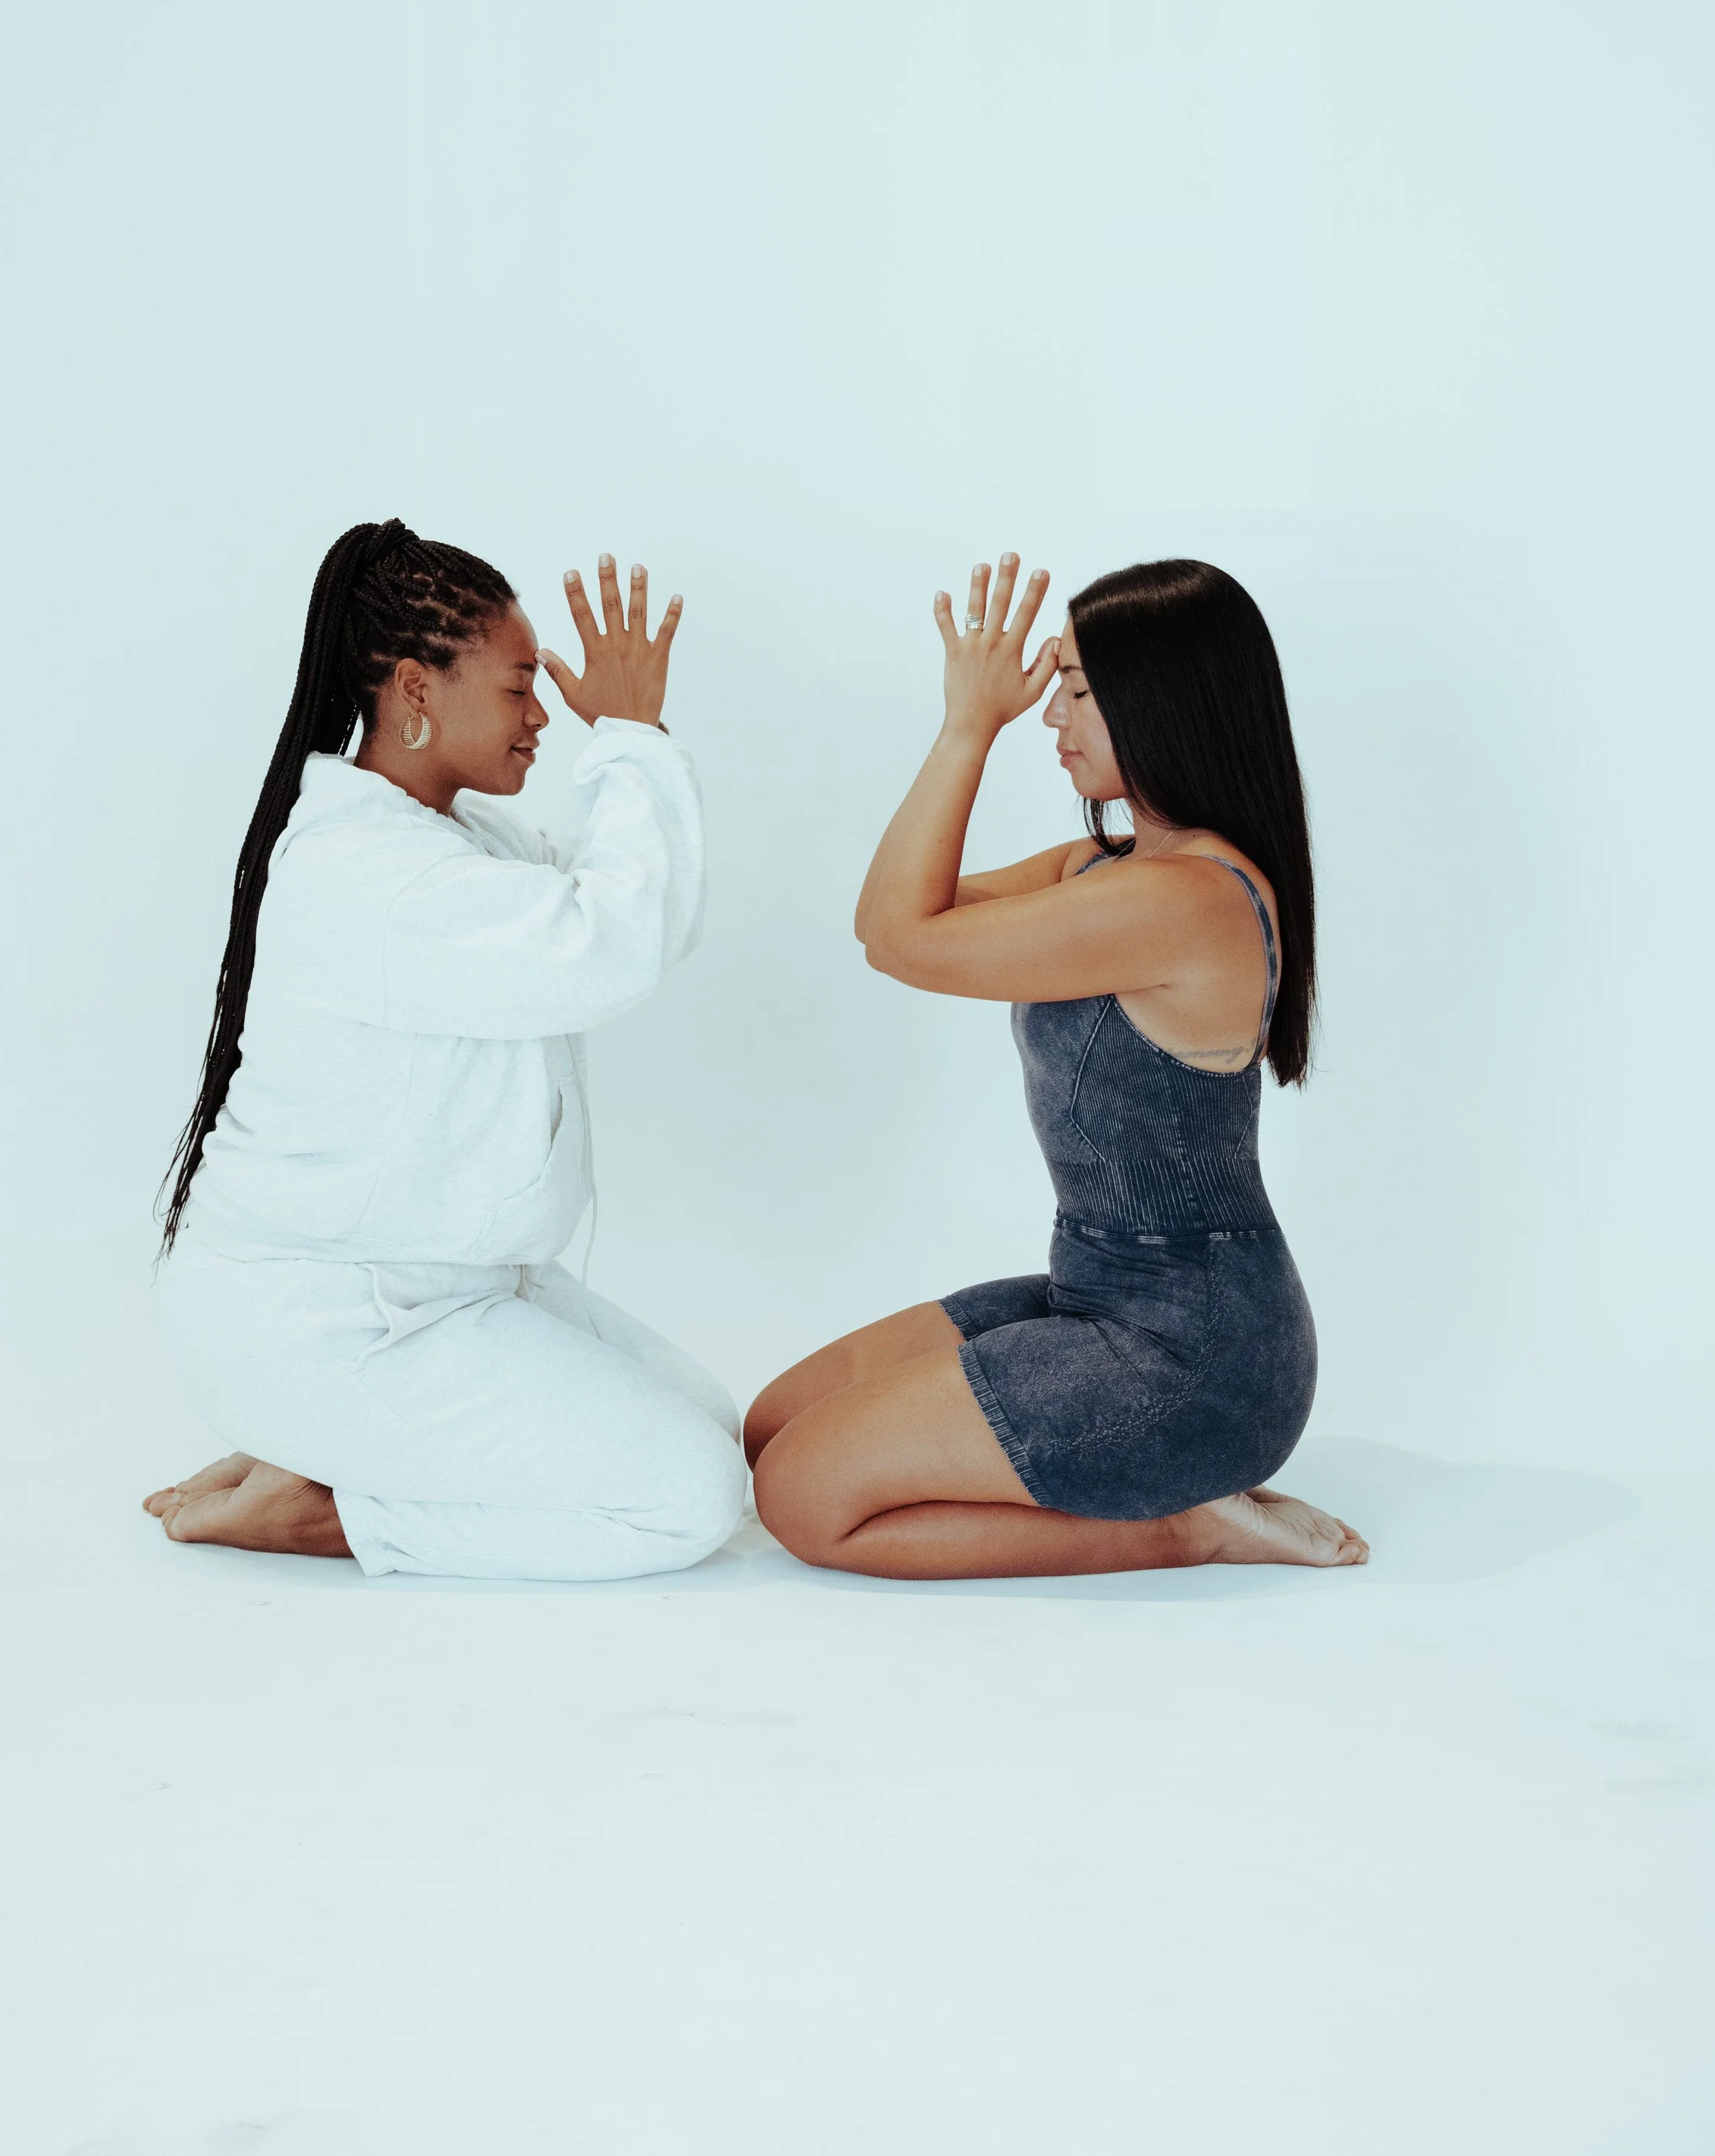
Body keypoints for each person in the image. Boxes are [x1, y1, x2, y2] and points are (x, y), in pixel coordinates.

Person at [746, 553, 1367, 1581]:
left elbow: (903, 939)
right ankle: (1156, 1493)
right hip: (1094, 1293)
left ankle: (1189, 1524)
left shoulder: (1190, 901)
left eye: (1076, 689)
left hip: (1199, 1355)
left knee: (803, 1497)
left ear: (1155, 697)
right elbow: (889, 915)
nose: (1051, 713)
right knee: (776, 1427)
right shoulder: (1112, 869)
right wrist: (969, 730)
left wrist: (966, 728)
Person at [143, 521, 745, 1581]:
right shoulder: (371, 876)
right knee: (685, 1496)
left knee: (710, 1422)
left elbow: (635, 906)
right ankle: (328, 1511)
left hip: (443, 1286)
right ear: (416, 689)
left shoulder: (454, 842)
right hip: (324, 1321)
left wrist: (635, 749)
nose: (543, 713)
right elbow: (607, 941)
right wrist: (635, 735)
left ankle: (329, 1447)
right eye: (519, 687)